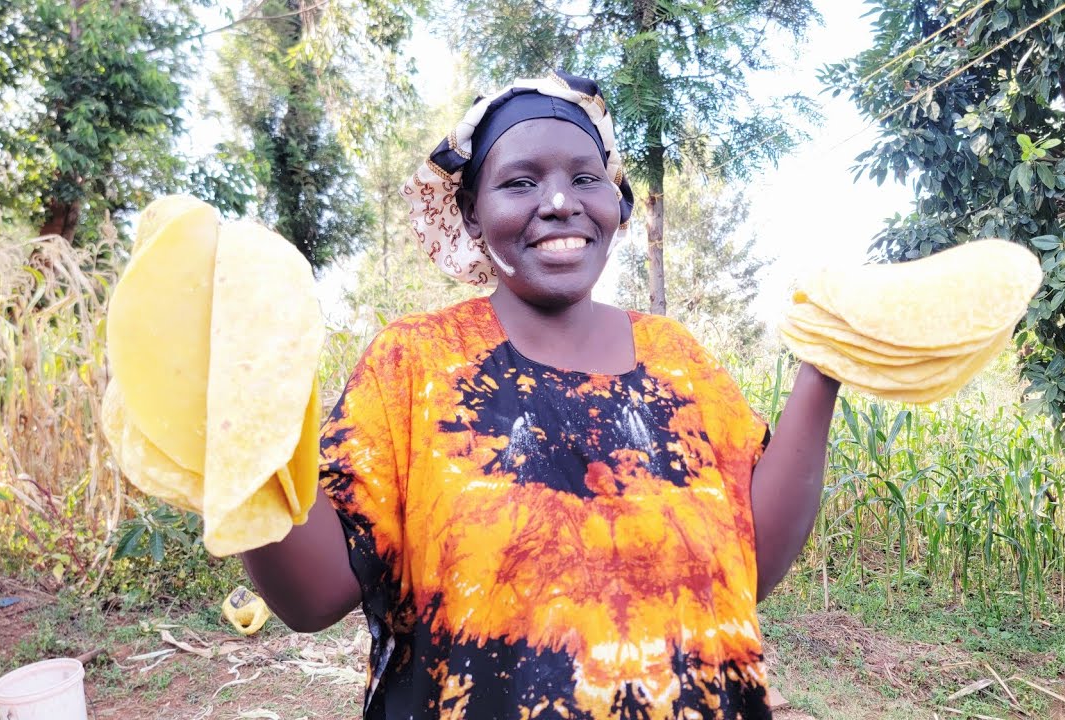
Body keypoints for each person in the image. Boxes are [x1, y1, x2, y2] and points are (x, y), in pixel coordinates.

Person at [241, 71, 840, 720]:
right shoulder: (414, 364)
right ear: (470, 211)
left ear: (614, 202)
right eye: (520, 182)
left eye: (586, 178)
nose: (559, 201)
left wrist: (824, 369)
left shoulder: (678, 359)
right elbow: (313, 596)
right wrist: (243, 415)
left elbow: (750, 562)